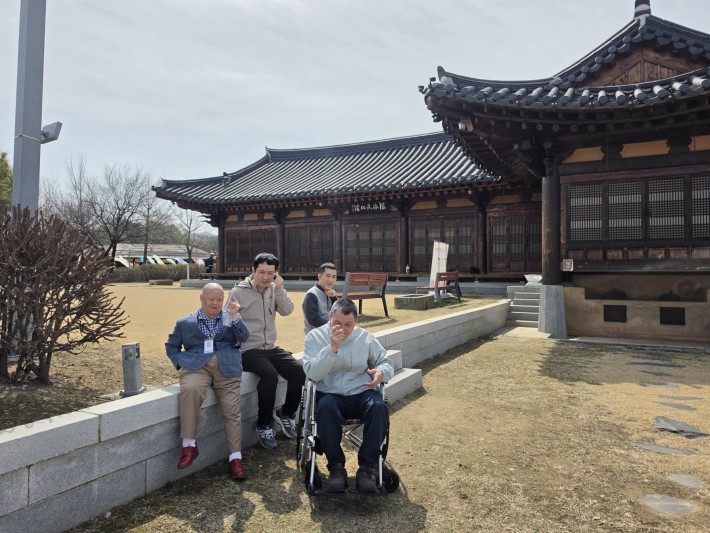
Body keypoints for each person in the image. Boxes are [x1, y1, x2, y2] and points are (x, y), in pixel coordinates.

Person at [303, 298, 394, 493]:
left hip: (362, 391)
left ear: (356, 322)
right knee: (324, 408)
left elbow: (385, 361)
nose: (342, 329)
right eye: (337, 323)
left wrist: (381, 372)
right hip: (330, 393)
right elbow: (312, 373)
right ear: (330, 317)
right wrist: (332, 348)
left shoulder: (365, 337)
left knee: (379, 407)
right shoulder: (315, 337)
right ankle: (336, 468)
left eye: (348, 325)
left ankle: (366, 469)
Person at [165, 282, 249, 480]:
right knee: (190, 390)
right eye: (211, 299)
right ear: (202, 298)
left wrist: (235, 316)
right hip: (197, 366)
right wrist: (182, 361)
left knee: (232, 411)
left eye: (219, 300)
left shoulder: (231, 316)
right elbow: (171, 346)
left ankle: (236, 459)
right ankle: (188, 446)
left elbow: (244, 336)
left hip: (227, 368)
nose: (215, 303)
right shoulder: (185, 322)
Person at [226, 252, 305, 449]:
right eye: (261, 272)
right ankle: (264, 424)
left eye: (270, 273)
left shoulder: (273, 289)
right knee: (269, 375)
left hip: (269, 347)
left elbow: (287, 310)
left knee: (299, 371)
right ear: (253, 271)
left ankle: (286, 414)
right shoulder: (238, 292)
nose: (265, 277)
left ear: (276, 273)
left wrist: (279, 288)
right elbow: (226, 321)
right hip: (247, 349)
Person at [302, 262, 338, 335]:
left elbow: (340, 313)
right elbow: (313, 319)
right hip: (315, 336)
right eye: (328, 276)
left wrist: (334, 298)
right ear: (319, 277)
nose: (331, 280)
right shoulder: (311, 295)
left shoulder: (331, 293)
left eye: (334, 277)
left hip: (330, 334)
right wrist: (333, 326)